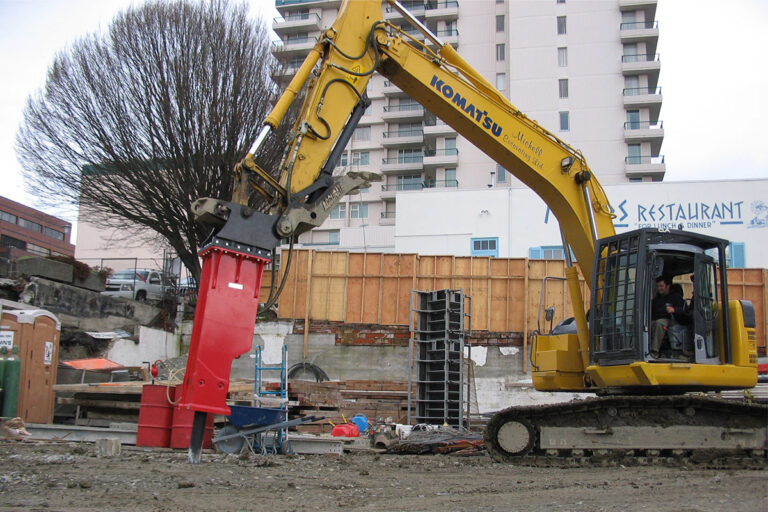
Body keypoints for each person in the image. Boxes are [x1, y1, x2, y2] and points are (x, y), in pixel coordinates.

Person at [650, 276, 685, 359]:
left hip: (672, 320)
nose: (659, 288)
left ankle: (655, 351)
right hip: (657, 320)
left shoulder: (675, 297)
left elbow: (684, 310)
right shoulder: (656, 300)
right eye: (658, 286)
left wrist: (674, 310)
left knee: (659, 323)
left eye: (661, 286)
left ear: (667, 286)